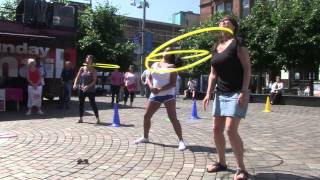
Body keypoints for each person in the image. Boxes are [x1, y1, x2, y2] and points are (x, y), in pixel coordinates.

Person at [202, 16, 251, 180]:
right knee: (216, 130)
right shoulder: (216, 47)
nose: (223, 22)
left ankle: (241, 168)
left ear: (234, 26)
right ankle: (221, 162)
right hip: (220, 92)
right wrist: (208, 93)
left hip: (237, 91)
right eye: (221, 21)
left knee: (230, 130)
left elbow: (247, 69)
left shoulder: (238, 43)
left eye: (227, 21)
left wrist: (244, 91)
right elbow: (213, 73)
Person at [134, 47, 187, 151]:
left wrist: (160, 89)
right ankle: (145, 137)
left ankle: (181, 141)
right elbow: (149, 78)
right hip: (155, 94)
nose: (165, 51)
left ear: (171, 54)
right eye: (165, 50)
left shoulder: (173, 67)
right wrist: (151, 87)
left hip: (168, 95)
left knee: (173, 118)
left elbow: (172, 84)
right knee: (146, 116)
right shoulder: (154, 64)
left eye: (168, 51)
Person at [73, 55, 100, 124]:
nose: (88, 59)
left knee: (92, 103)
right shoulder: (82, 68)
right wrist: (75, 84)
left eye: (89, 59)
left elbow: (94, 81)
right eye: (87, 58)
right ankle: (81, 118)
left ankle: (97, 118)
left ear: (91, 61)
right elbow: (77, 77)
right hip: (82, 89)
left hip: (90, 90)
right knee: (81, 103)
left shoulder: (93, 70)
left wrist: (87, 86)